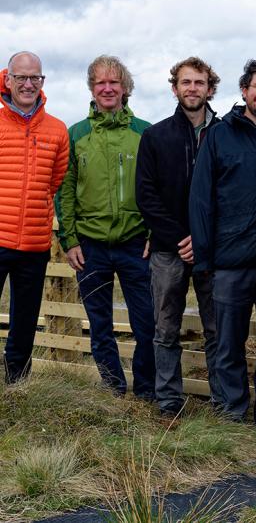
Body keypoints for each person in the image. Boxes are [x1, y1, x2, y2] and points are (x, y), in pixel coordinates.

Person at [189, 59, 256, 427]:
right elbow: (201, 199)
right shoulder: (220, 135)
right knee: (228, 343)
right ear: (244, 91)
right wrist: (204, 259)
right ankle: (232, 414)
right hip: (230, 258)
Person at [56, 55, 155, 399]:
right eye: (101, 82)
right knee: (100, 326)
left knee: (147, 325)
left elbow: (162, 187)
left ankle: (145, 394)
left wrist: (154, 233)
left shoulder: (145, 133)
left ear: (125, 88)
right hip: (91, 246)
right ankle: (113, 389)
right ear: (92, 88)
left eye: (114, 82)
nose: (108, 88)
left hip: (135, 244)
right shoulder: (77, 135)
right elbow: (64, 190)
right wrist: (69, 240)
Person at [135, 57, 221, 417]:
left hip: (213, 250)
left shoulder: (224, 133)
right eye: (186, 82)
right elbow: (146, 196)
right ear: (175, 88)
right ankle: (169, 401)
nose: (192, 89)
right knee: (166, 327)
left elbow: (231, 192)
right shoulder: (156, 136)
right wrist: (183, 237)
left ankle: (222, 402)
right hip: (170, 250)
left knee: (217, 329)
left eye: (199, 82)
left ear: (210, 88)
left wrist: (204, 238)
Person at [0, 52, 68, 383]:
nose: (28, 84)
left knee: (24, 321)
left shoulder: (57, 130)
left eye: (35, 78)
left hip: (35, 243)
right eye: (22, 77)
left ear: (42, 82)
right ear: (8, 79)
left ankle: (17, 385)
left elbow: (54, 182)